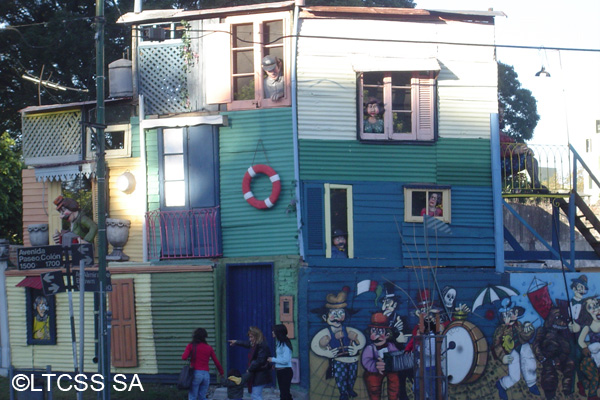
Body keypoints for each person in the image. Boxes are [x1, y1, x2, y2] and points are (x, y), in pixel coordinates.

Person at [310, 287, 366, 400]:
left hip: (352, 359)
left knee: (352, 376)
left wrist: (356, 348)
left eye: (340, 313)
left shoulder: (348, 330)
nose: (337, 317)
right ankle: (343, 393)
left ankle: (350, 388)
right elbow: (315, 345)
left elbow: (362, 339)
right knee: (340, 377)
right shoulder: (327, 333)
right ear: (325, 317)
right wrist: (327, 353)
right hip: (338, 360)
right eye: (333, 313)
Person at [492, 297, 540, 400]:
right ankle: (502, 385)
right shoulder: (501, 330)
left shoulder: (518, 325)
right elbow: (497, 345)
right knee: (515, 376)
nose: (508, 317)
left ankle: (531, 384)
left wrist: (528, 329)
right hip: (510, 351)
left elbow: (525, 336)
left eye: (510, 313)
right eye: (505, 315)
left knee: (530, 361)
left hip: (522, 346)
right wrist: (503, 356)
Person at [361, 312, 401, 400]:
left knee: (394, 380)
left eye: (379, 332)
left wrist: (393, 362)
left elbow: (396, 355)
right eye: (373, 331)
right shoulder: (370, 348)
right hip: (375, 371)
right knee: (372, 382)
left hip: (389, 369)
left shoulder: (391, 346)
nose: (376, 336)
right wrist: (375, 365)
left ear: (387, 335)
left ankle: (393, 398)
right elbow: (366, 361)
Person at [229, 327, 272, 400]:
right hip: (259, 373)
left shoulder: (261, 345)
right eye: (249, 337)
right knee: (256, 395)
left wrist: (249, 369)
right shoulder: (256, 344)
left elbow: (260, 360)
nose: (250, 339)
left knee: (255, 395)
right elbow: (247, 344)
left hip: (261, 374)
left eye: (251, 337)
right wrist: (236, 342)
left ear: (257, 336)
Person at [181, 327, 224, 400]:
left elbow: (184, 357)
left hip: (195, 373)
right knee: (202, 397)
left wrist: (190, 353)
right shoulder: (209, 347)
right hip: (206, 375)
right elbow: (216, 361)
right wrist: (221, 372)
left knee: (193, 396)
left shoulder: (191, 346)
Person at [268, 324, 294, 400]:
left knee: (284, 394)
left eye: (274, 331)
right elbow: (281, 358)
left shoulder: (285, 343)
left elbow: (286, 360)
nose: (272, 332)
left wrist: (273, 359)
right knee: (285, 393)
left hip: (285, 372)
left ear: (278, 332)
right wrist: (276, 364)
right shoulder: (279, 343)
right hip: (280, 371)